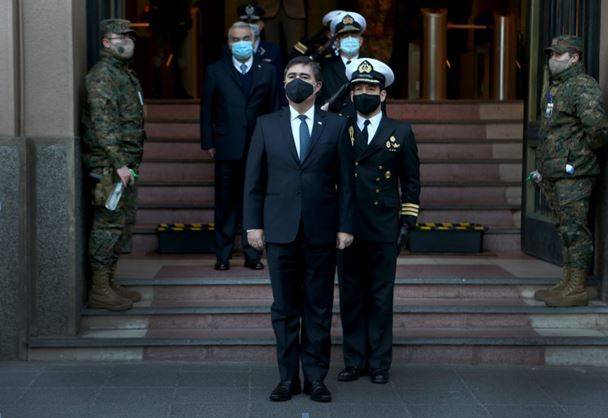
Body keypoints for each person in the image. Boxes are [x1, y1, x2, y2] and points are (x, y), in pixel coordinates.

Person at [244, 56, 355, 403]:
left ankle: (316, 379)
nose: (297, 81)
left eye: (304, 77)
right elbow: (253, 180)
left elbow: (346, 183)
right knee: (285, 308)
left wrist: (345, 226)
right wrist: (253, 224)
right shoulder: (266, 124)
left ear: (318, 86)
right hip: (279, 230)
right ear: (283, 83)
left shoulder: (336, 125)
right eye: (291, 75)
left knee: (318, 308)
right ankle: (287, 378)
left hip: (322, 230)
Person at [337, 58, 420, 384]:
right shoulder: (339, 127)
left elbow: (411, 181)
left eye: (371, 88)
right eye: (358, 88)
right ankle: (354, 360)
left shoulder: (401, 131)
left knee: (381, 297)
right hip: (347, 226)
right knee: (351, 295)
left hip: (384, 225)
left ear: (382, 95)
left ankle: (379, 363)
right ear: (351, 93)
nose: (364, 93)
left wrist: (407, 222)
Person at [531, 35, 608, 307]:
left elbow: (597, 129)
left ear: (574, 58)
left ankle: (577, 285)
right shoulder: (557, 86)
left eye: (558, 55)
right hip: (555, 171)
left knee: (575, 229)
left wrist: (579, 154)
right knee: (565, 227)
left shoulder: (582, 85)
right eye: (551, 54)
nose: (553, 59)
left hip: (574, 172)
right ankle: (568, 281)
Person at [201, 21, 280, 271]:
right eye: (236, 39)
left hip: (259, 146)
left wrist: (274, 143)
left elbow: (274, 108)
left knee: (254, 200)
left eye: (246, 38)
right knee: (225, 203)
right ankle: (222, 256)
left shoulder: (268, 71)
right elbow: (207, 109)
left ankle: (252, 255)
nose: (241, 43)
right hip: (227, 145)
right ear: (228, 43)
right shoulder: (215, 70)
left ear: (254, 40)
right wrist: (208, 142)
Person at [82, 19, 145, 311]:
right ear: (106, 42)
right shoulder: (102, 75)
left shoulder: (123, 72)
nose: (128, 41)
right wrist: (119, 162)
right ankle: (99, 289)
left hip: (125, 164)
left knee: (119, 224)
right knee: (107, 225)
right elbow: (103, 123)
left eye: (130, 36)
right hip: (109, 166)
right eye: (122, 37)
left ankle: (109, 282)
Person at [317, 11, 367, 119]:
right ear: (337, 42)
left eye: (354, 35)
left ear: (361, 41)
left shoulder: (370, 65)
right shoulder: (325, 67)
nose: (350, 39)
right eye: (344, 36)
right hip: (334, 123)